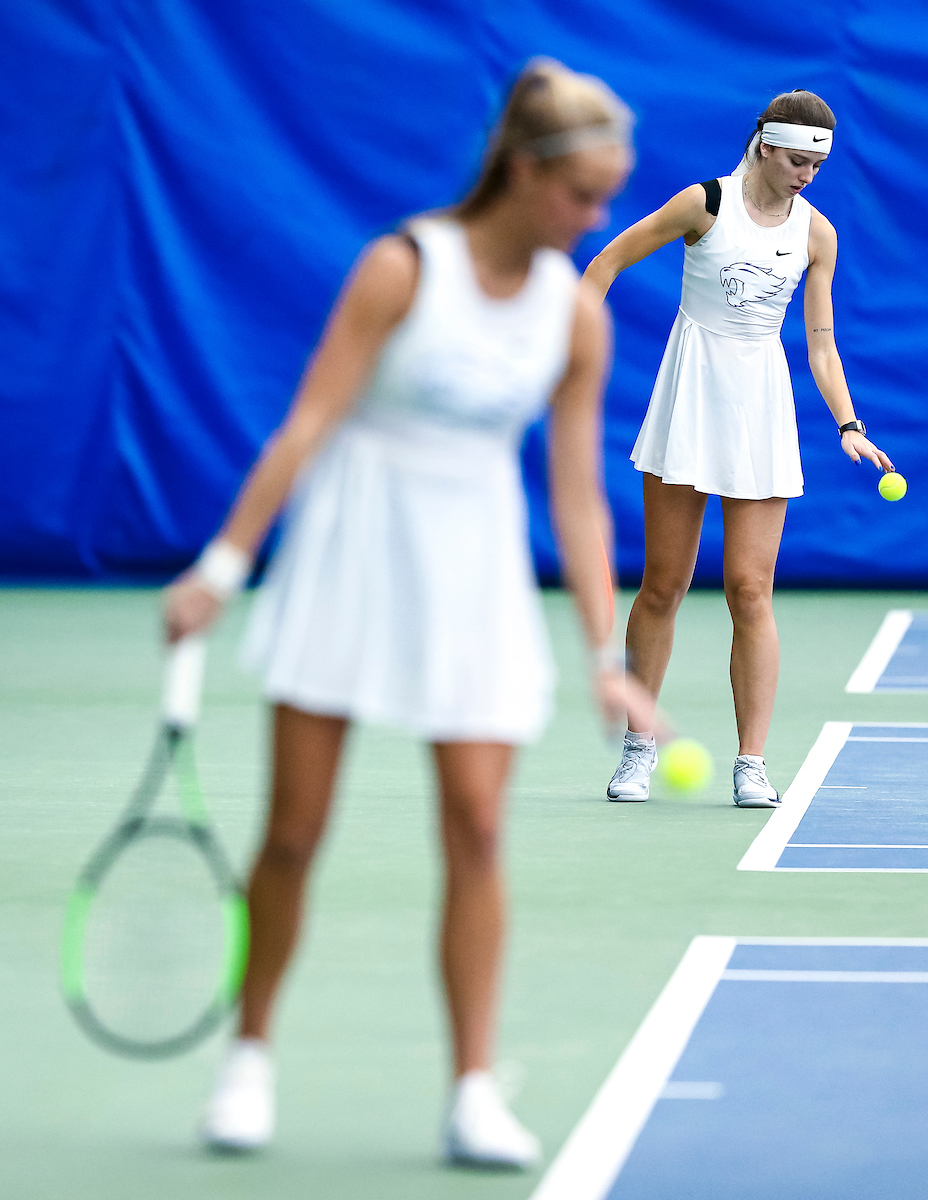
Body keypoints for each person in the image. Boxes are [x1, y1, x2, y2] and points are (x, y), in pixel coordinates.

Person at [164, 60, 652, 1168]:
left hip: (473, 568)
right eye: (583, 195)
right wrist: (221, 567)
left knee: (477, 829)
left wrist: (603, 653)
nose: (599, 218)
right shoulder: (399, 267)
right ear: (524, 173)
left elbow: (576, 496)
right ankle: (247, 1061)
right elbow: (305, 424)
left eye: (608, 196)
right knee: (294, 833)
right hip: (350, 549)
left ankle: (473, 1091)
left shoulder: (575, 316)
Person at [584, 90, 894, 807]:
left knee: (750, 591)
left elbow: (821, 343)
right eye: (795, 158)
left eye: (818, 162)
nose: (806, 173)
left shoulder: (818, 234)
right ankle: (638, 748)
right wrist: (567, 347)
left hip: (760, 408)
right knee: (664, 585)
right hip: (689, 395)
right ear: (762, 144)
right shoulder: (703, 203)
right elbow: (606, 262)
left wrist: (849, 424)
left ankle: (751, 761)